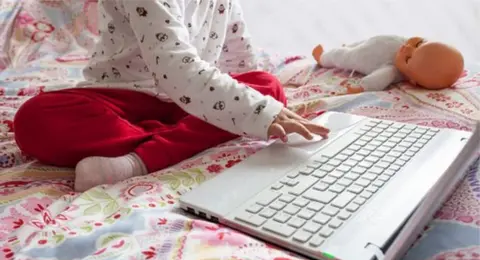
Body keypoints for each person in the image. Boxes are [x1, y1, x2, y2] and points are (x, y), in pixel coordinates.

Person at [13, 0, 330, 192]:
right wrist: (256, 112)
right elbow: (175, 67)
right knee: (33, 120)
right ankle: (165, 148)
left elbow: (238, 55)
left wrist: (261, 104)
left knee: (267, 86)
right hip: (124, 94)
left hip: (192, 100)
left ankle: (137, 161)